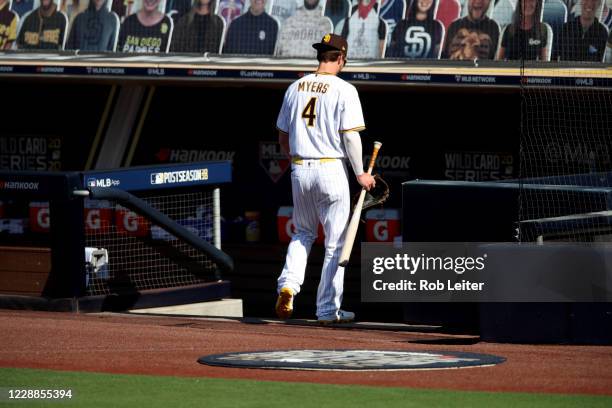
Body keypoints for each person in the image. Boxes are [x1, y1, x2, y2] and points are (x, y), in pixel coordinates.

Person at [275, 33, 376, 324]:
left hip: (300, 167)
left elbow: (282, 136)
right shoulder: (345, 89)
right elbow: (351, 136)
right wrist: (361, 173)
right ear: (341, 58)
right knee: (335, 243)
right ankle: (327, 310)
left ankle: (289, 285)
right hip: (331, 167)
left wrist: (294, 159)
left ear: (320, 57)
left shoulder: (295, 87)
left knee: (303, 233)